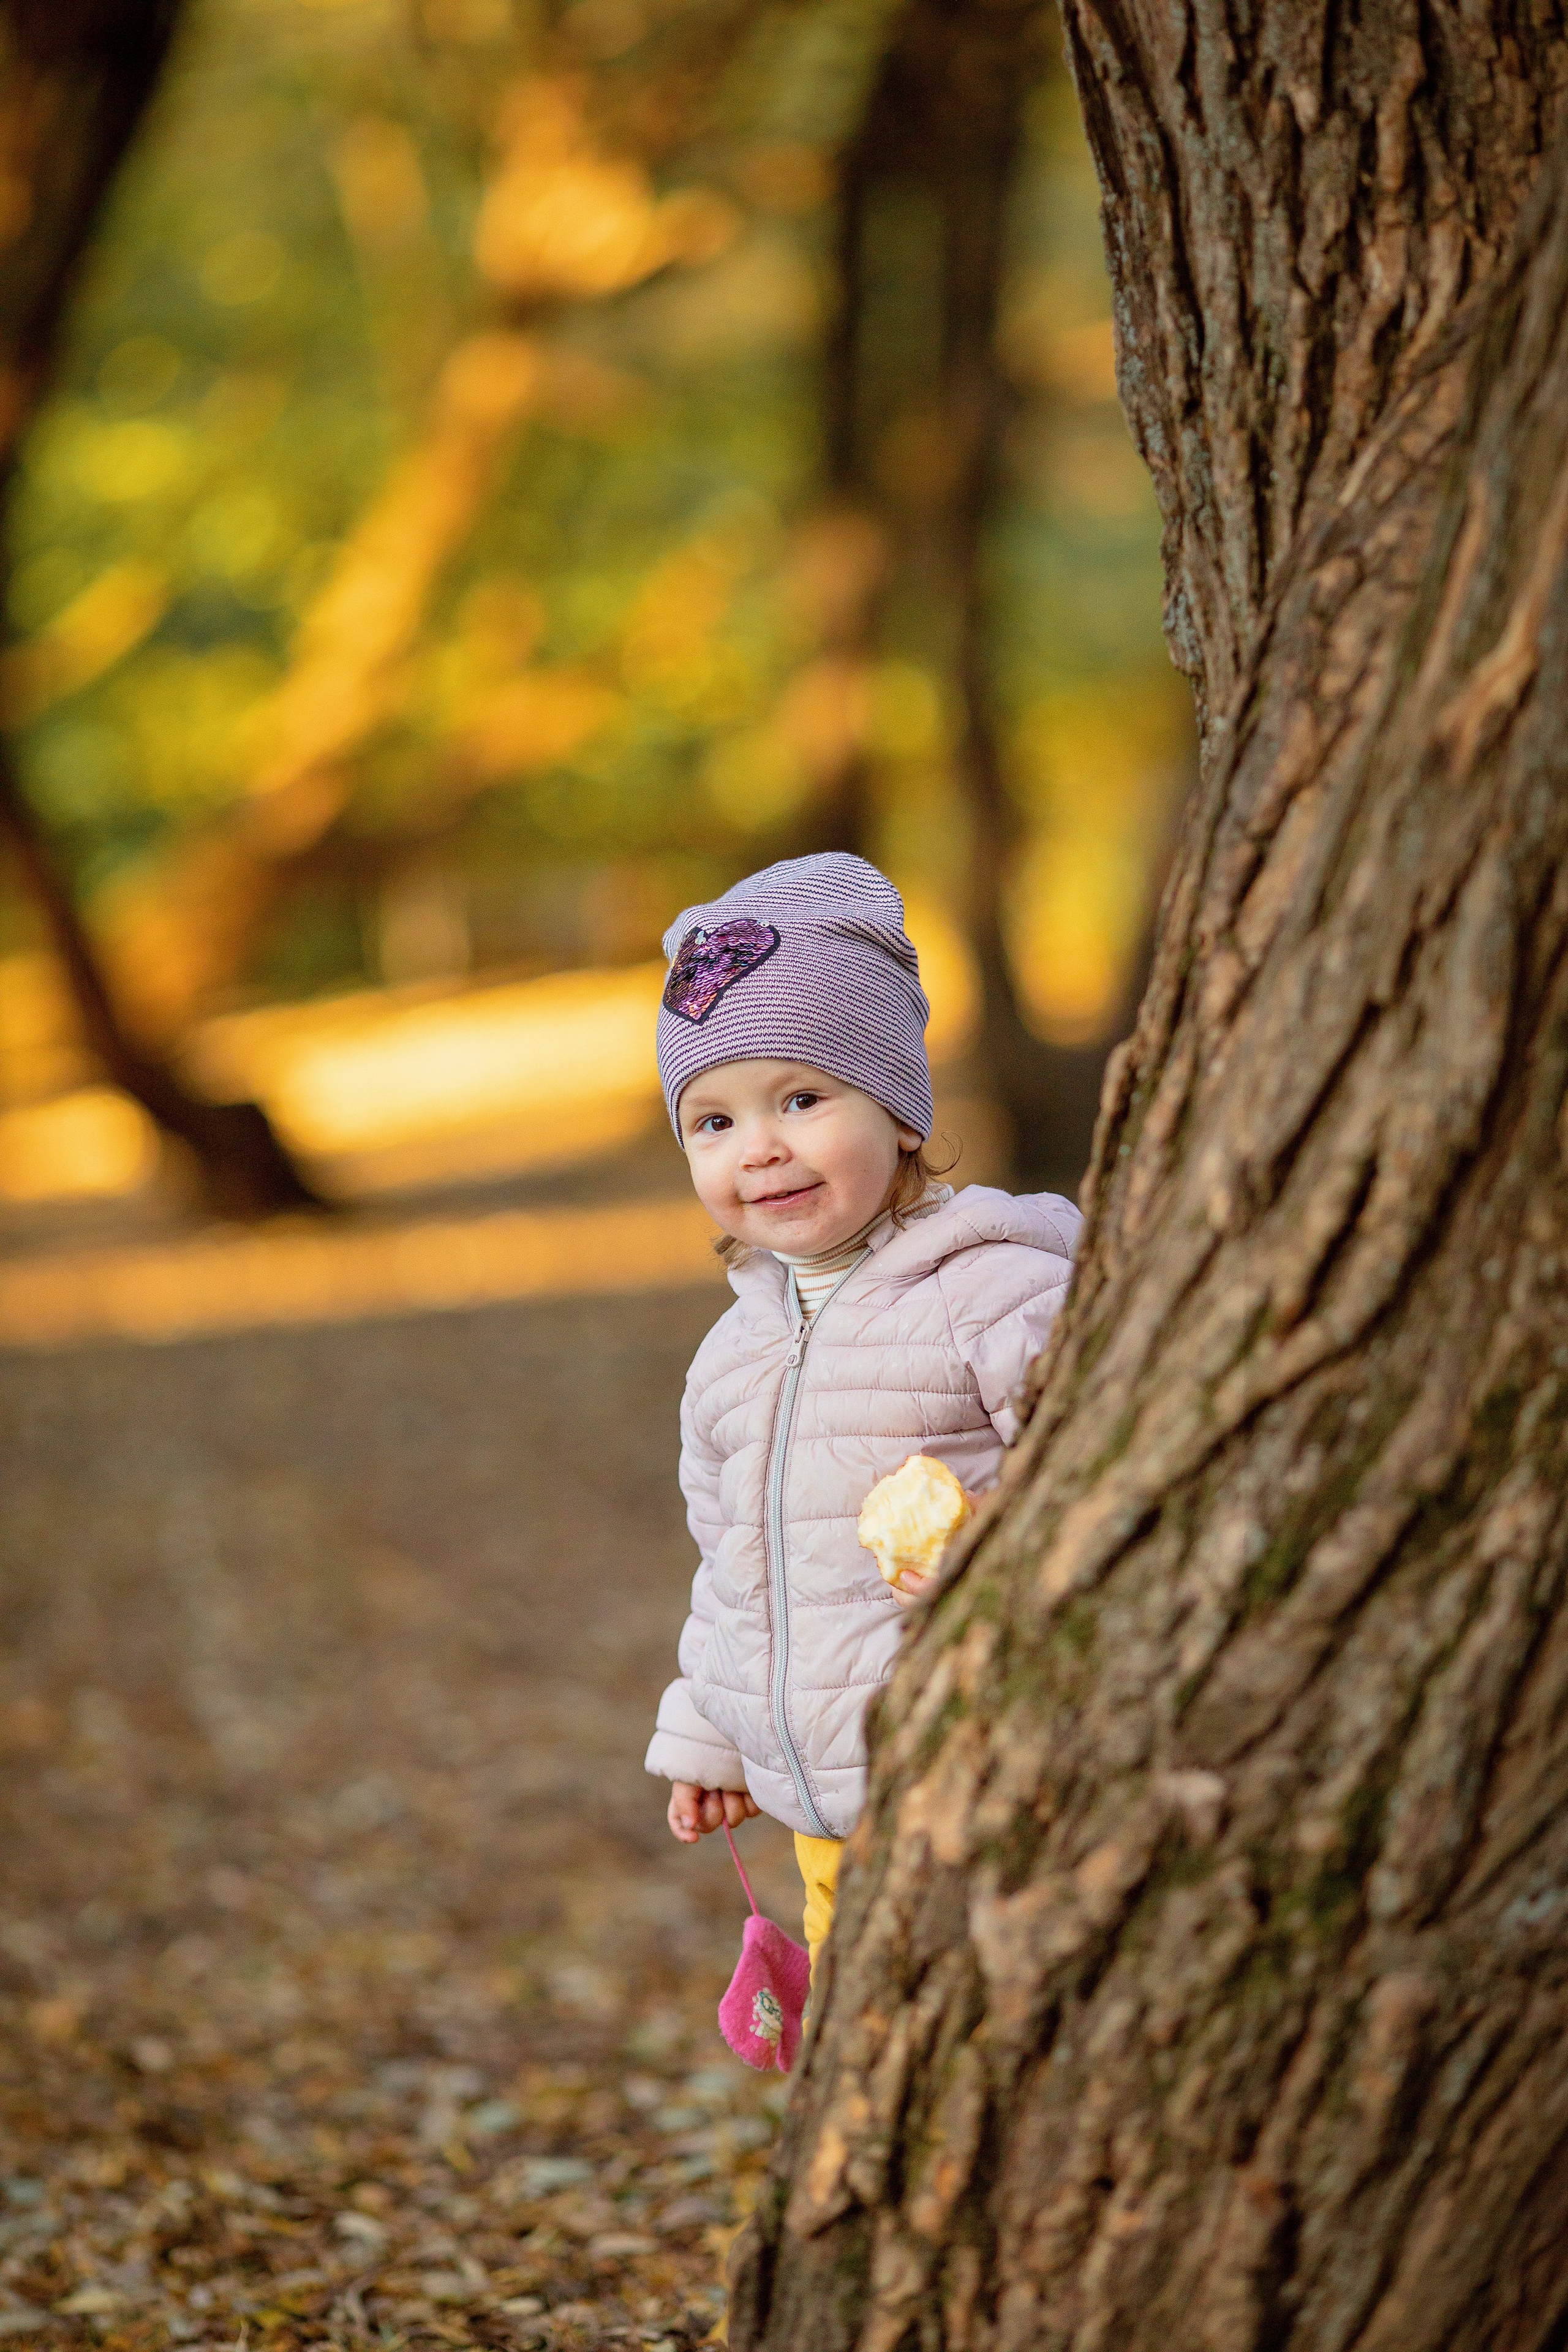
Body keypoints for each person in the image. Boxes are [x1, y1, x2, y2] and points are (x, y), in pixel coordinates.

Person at [644, 852, 1081, 1974]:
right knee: (865, 2022)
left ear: (895, 1108)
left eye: (801, 1098)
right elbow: (735, 1561)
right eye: (714, 1121)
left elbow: (1089, 1476)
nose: (761, 1147)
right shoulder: (732, 1355)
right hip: (822, 1810)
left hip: (978, 1771)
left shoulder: (999, 1291)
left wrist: (995, 1549)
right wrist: (712, 1729)